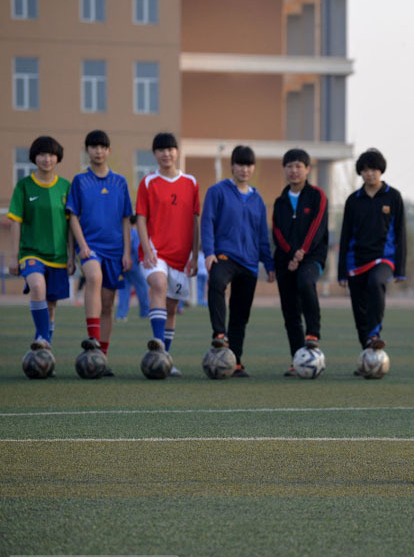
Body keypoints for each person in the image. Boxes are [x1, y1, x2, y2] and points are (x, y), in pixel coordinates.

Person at [202, 145, 275, 377]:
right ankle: (219, 334)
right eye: (240, 164)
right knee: (216, 284)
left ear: (253, 168)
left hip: (250, 263)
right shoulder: (217, 191)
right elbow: (207, 222)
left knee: (241, 314)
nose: (244, 169)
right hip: (224, 255)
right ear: (232, 166)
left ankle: (236, 361)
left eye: (248, 165)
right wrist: (209, 252)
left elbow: (263, 236)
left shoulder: (257, 200)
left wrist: (269, 265)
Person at [66, 130, 132, 374]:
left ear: (109, 151)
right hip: (91, 248)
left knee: (108, 305)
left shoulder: (120, 182)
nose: (98, 151)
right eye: (93, 147)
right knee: (93, 277)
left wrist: (127, 251)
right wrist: (81, 247)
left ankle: (101, 359)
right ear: (87, 150)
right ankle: (92, 343)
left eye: (102, 147)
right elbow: (72, 216)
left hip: (115, 251)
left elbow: (127, 219)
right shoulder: (80, 181)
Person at [136, 133, 200, 377]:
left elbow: (195, 222)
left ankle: (165, 360)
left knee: (172, 308)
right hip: (155, 252)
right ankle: (157, 342)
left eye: (170, 149)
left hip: (182, 257)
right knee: (158, 284)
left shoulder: (191, 182)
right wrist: (147, 248)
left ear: (177, 152)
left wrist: (195, 255)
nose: (166, 154)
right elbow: (140, 217)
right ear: (154, 154)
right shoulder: (148, 182)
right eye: (161, 150)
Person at [7, 136, 74, 353]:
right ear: (34, 158)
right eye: (42, 154)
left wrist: (72, 256)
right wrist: (13, 255)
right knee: (37, 286)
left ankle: (44, 352)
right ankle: (43, 338)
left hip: (58, 256)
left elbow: (71, 226)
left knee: (52, 307)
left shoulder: (65, 187)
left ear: (58, 158)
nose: (47, 159)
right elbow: (15, 221)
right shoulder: (24, 186)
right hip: (31, 252)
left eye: (51, 155)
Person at [338, 148, 406, 352]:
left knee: (376, 283)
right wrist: (342, 271)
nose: (370, 173)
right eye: (366, 169)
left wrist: (400, 269)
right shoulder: (353, 200)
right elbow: (344, 235)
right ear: (360, 172)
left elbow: (400, 233)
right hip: (355, 261)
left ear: (381, 171)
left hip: (383, 259)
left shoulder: (393, 197)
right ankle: (367, 352)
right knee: (359, 310)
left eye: (374, 169)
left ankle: (375, 333)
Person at [272, 148, 328, 376]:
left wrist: (301, 253)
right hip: (285, 260)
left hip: (312, 257)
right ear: (284, 170)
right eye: (290, 166)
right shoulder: (280, 201)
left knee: (306, 282)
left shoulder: (317, 196)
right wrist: (291, 254)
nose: (294, 171)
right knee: (290, 312)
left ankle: (313, 333)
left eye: (298, 166)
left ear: (307, 169)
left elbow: (317, 226)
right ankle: (298, 360)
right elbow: (276, 231)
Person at [115, 215, 150, 321]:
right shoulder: (134, 233)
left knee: (124, 290)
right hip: (133, 265)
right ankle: (145, 311)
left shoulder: (119, 233)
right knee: (142, 287)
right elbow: (137, 248)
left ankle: (121, 314)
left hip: (122, 266)